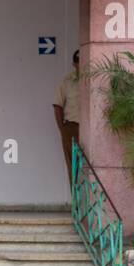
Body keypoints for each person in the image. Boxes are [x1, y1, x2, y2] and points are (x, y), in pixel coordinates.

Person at [54, 49, 80, 185]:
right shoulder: (67, 82)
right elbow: (57, 106)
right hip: (71, 128)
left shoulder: (95, 79)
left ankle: (91, 203)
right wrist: (63, 130)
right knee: (73, 167)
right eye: (78, 62)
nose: (81, 65)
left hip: (92, 130)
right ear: (74, 64)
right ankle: (76, 204)